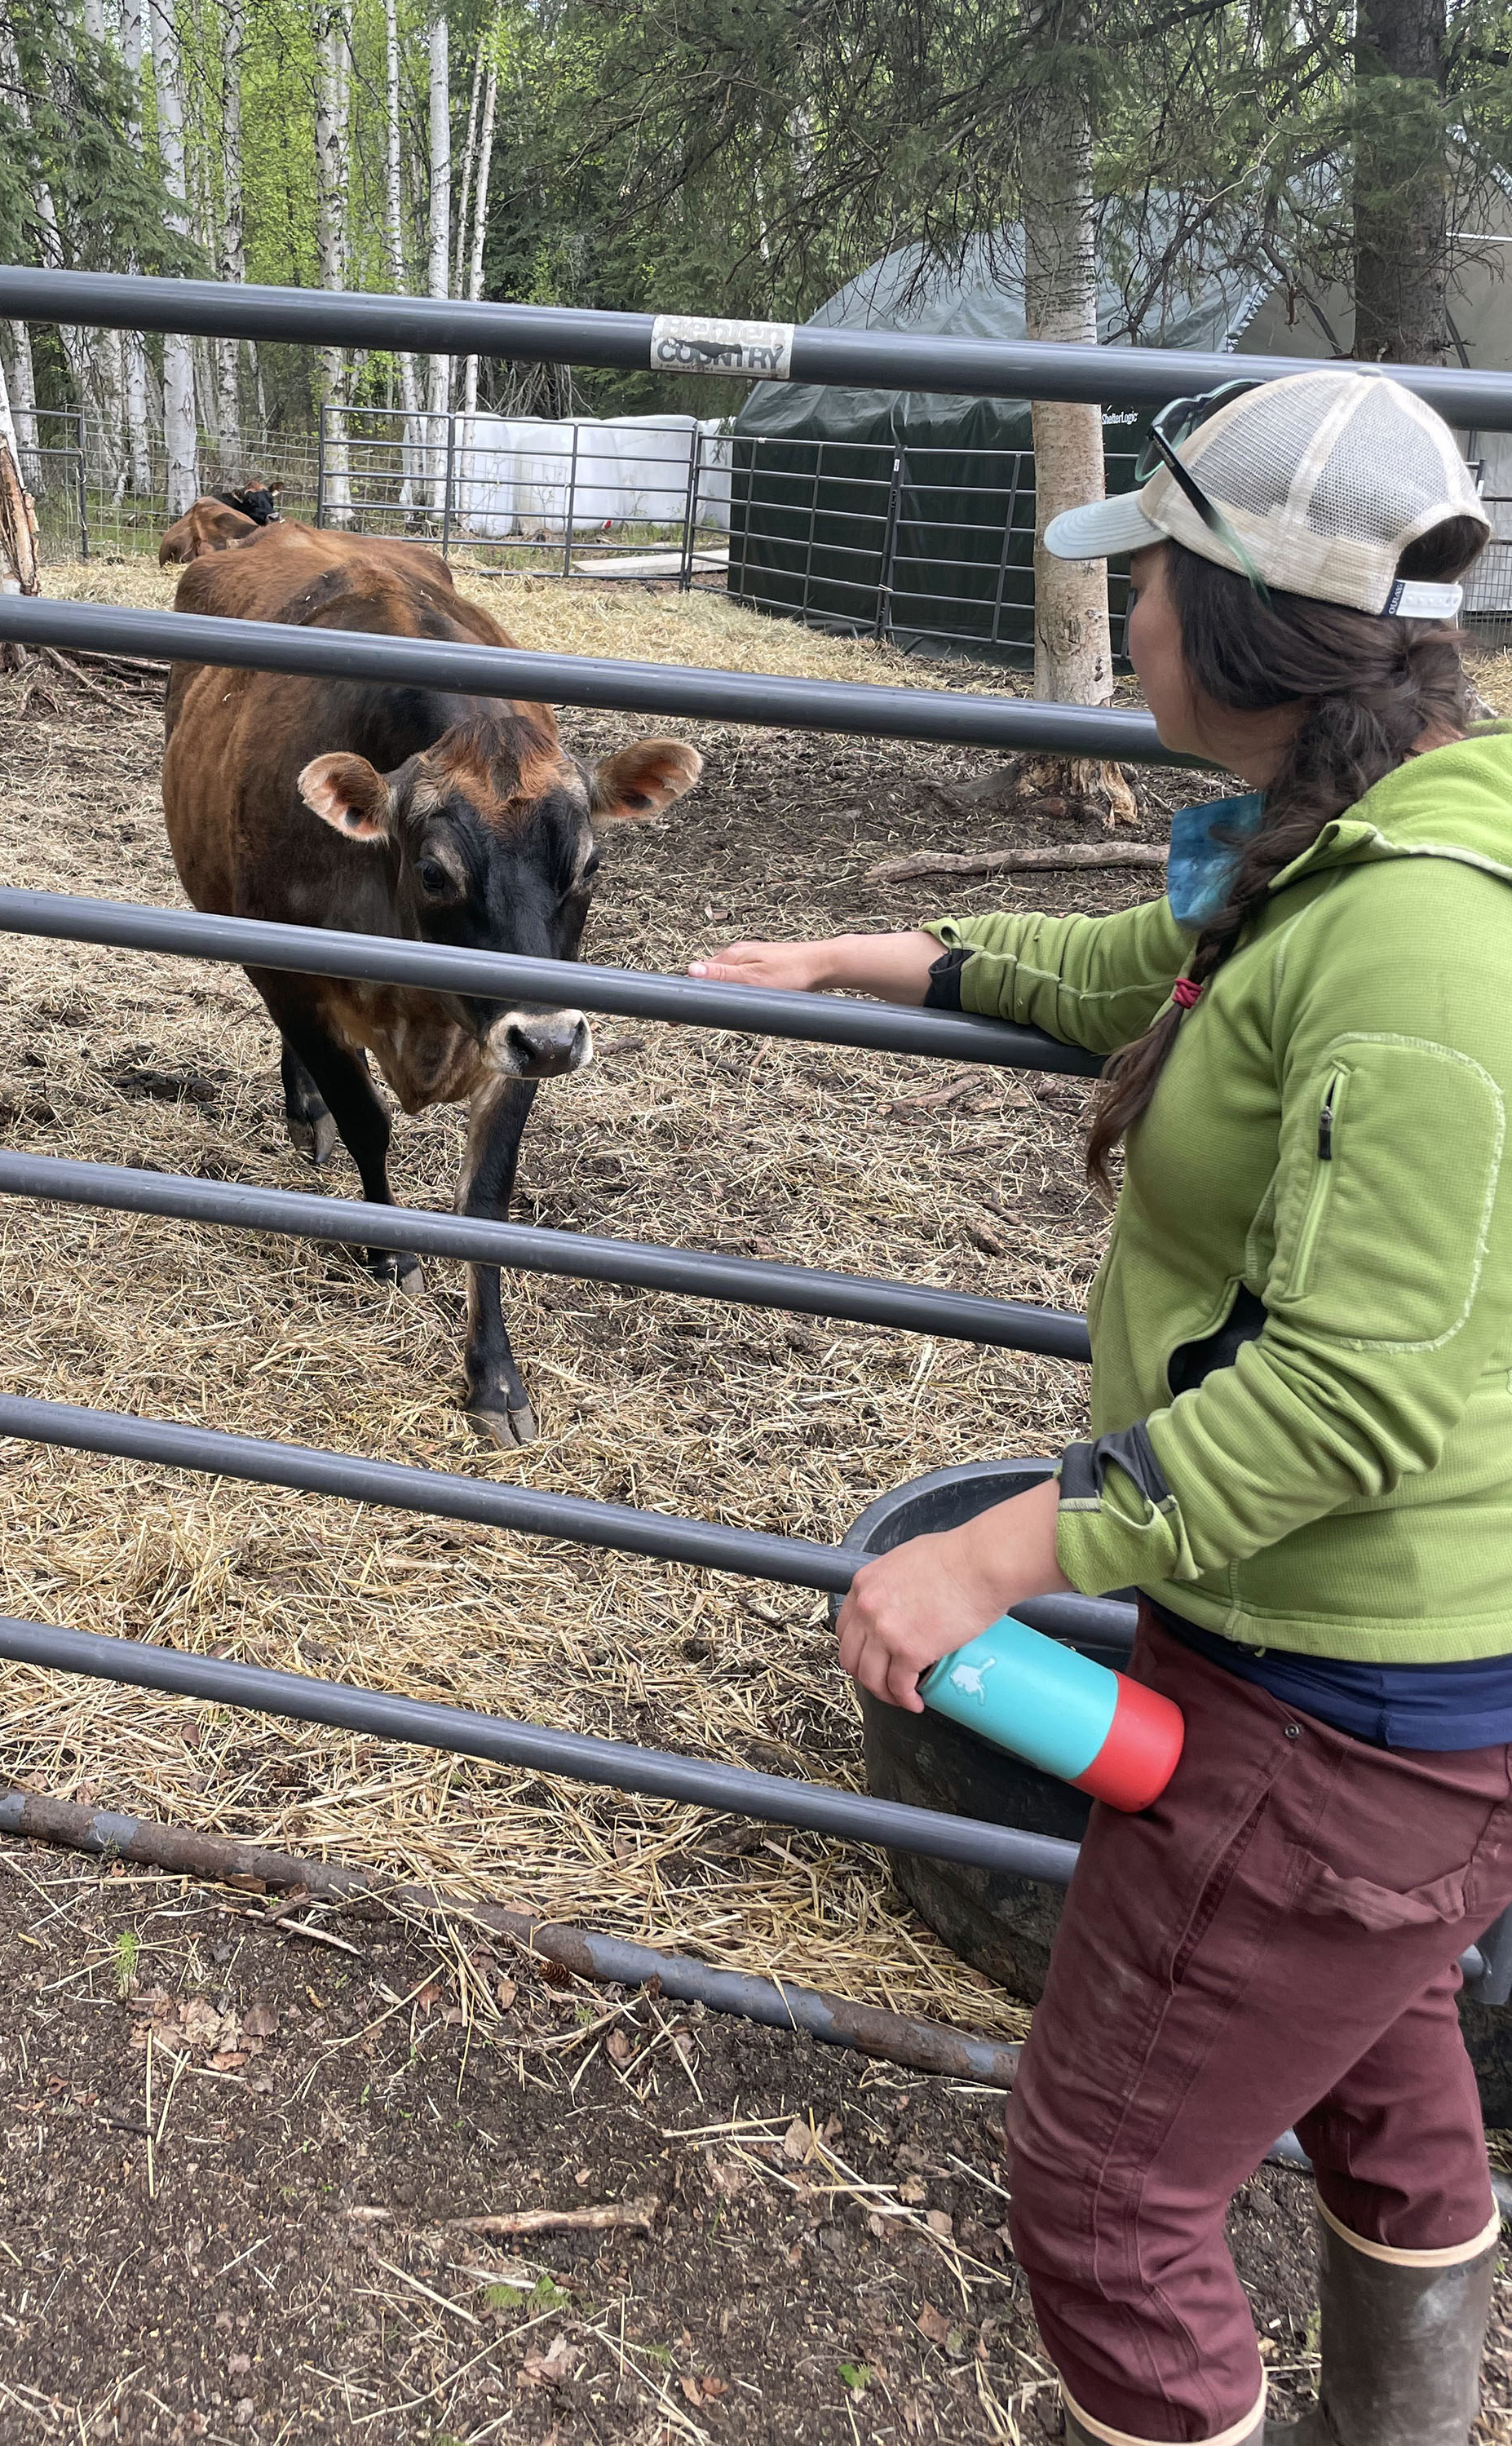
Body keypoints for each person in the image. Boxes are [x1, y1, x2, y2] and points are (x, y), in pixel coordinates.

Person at [689, 369, 1512, 2446]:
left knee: (1103, 2184)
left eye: (1138, 579)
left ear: (1223, 619)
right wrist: (865, 958)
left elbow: (1347, 1394)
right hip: (1387, 1683)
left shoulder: (1417, 947)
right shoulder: (1350, 844)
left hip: (1341, 1704)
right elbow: (1145, 971)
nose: (1115, 617)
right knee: (1387, 2072)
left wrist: (999, 1544)